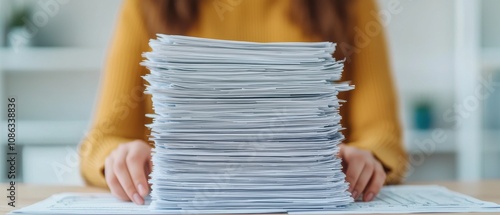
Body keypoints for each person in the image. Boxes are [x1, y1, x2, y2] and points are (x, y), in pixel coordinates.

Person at [79, 0, 408, 206]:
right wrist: (116, 157)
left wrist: (369, 158)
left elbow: (382, 135)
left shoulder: (351, 5)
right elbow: (102, 139)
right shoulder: (145, 6)